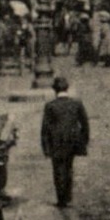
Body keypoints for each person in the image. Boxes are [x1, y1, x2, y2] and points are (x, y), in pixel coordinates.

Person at [40, 77, 90, 208]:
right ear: (67, 89)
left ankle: (61, 199)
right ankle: (68, 196)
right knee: (69, 167)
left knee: (58, 170)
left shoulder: (50, 106)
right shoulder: (76, 103)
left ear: (55, 90)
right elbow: (85, 123)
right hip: (72, 141)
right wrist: (84, 141)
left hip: (56, 142)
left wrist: (45, 148)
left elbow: (45, 129)